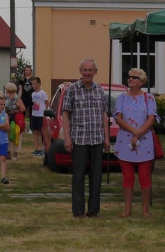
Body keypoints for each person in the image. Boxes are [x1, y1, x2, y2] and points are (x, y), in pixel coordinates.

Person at [62, 58, 109, 218]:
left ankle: (94, 210)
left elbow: (104, 115)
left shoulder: (100, 90)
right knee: (78, 176)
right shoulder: (72, 89)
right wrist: (67, 138)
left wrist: (107, 138)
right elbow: (66, 114)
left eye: (91, 70)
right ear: (80, 71)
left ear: (95, 72)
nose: (88, 73)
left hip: (97, 138)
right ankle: (78, 210)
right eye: (85, 70)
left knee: (96, 176)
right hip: (79, 139)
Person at [113, 67, 158, 218]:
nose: (130, 78)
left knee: (145, 176)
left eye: (134, 77)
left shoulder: (149, 98)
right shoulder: (121, 98)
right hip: (125, 141)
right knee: (127, 177)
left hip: (144, 142)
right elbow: (118, 118)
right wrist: (134, 131)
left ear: (142, 82)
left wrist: (139, 133)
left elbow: (151, 118)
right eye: (129, 76)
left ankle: (145, 210)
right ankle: (127, 210)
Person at [4, 82, 26, 160]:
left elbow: (23, 109)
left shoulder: (16, 98)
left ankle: (15, 154)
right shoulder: (6, 98)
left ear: (10, 89)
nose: (6, 90)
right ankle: (8, 153)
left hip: (15, 119)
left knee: (16, 136)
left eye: (6, 88)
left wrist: (14, 111)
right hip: (7, 119)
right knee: (7, 136)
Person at [30, 77, 49, 156]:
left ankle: (42, 148)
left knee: (42, 132)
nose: (33, 85)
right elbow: (34, 103)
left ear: (39, 84)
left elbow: (47, 103)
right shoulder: (33, 94)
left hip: (41, 115)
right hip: (34, 114)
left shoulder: (43, 93)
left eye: (34, 84)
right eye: (32, 84)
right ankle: (37, 148)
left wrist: (46, 113)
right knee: (35, 131)